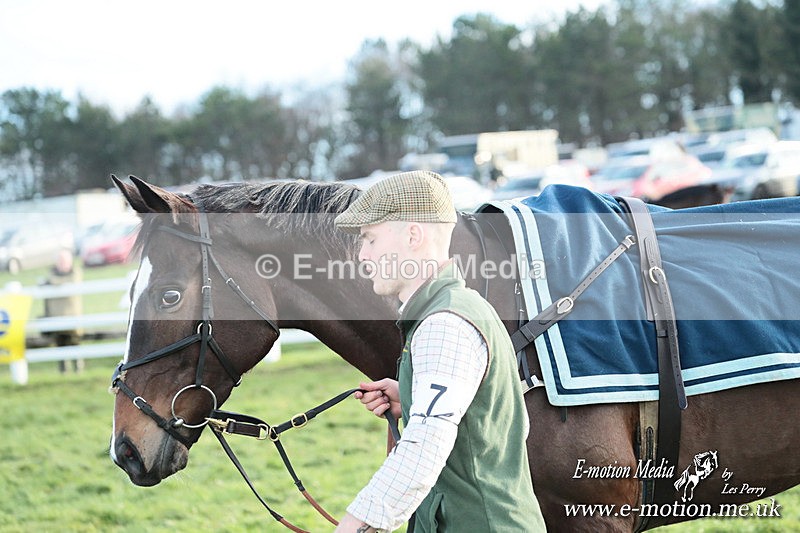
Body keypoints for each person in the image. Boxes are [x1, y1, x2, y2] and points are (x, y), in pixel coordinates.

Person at [333, 171, 546, 532]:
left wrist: (351, 527)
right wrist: (412, 397)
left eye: (369, 239)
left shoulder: (444, 323)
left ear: (413, 236)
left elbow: (422, 450)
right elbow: (496, 419)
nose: (362, 255)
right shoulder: (461, 306)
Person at [43, 248, 84, 373]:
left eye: (65, 261)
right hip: (56, 318)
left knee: (74, 344)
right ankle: (64, 371)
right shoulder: (51, 274)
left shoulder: (75, 273)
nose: (62, 264)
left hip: (72, 318)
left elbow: (68, 283)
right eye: (60, 261)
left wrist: (51, 283)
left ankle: (78, 370)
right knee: (60, 345)